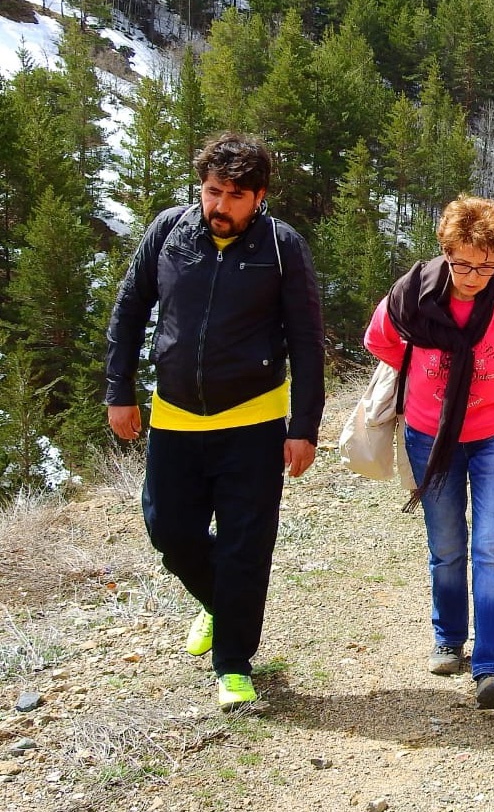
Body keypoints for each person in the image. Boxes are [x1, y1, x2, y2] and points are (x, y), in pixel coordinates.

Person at [105, 133, 325, 711]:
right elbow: (130, 307)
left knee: (246, 545)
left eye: (234, 195)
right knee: (168, 530)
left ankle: (233, 662)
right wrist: (118, 389)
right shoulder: (169, 231)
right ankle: (218, 603)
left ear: (259, 196)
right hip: (174, 415)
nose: (220, 206)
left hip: (253, 421)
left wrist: (304, 426)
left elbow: (306, 340)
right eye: (212, 191)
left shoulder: (282, 248)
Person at [364, 195, 494, 710]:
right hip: (431, 435)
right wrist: (420, 362)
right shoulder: (414, 293)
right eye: (464, 263)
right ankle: (449, 637)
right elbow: (378, 338)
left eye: (487, 264)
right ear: (445, 251)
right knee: (447, 543)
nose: (475, 275)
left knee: (491, 544)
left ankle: (493, 665)